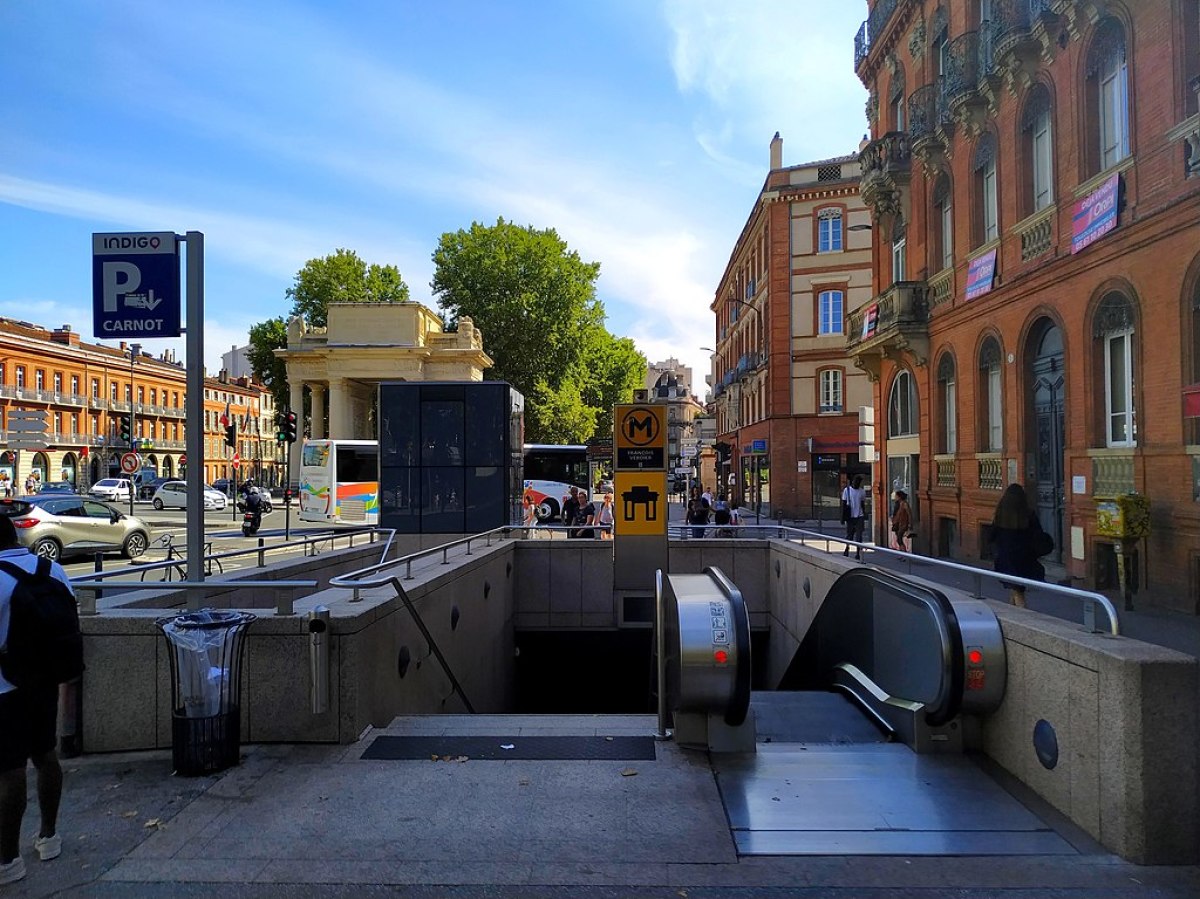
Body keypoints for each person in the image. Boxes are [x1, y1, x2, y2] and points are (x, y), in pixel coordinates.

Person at [0, 515, 72, 885]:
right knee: (45, 755)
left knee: (9, 769)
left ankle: (8, 859)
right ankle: (49, 835)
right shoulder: (52, 569)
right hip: (44, 681)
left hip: (5, 688)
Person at [989, 483, 1052, 608]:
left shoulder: (1000, 514)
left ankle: (1012, 613)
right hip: (1023, 558)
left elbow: (991, 536)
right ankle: (1024, 617)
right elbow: (1037, 535)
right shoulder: (1028, 514)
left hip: (1005, 558)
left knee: (1015, 588)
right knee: (1018, 591)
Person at [842, 475, 868, 560]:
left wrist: (864, 514)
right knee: (849, 535)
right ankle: (847, 548)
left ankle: (857, 553)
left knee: (859, 536)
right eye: (855, 482)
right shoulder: (847, 490)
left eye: (858, 482)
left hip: (859, 516)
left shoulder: (862, 491)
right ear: (852, 482)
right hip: (850, 516)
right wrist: (843, 517)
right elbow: (844, 504)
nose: (856, 483)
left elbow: (862, 503)